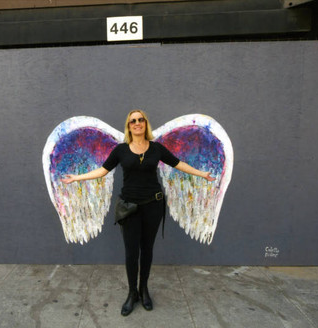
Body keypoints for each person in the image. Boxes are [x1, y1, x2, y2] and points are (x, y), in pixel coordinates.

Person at [62, 110, 215, 316]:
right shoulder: (121, 150)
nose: (137, 123)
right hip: (129, 207)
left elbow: (179, 164)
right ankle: (132, 293)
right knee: (131, 252)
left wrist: (202, 173)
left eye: (140, 120)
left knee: (147, 250)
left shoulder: (156, 148)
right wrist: (77, 178)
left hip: (153, 205)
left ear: (145, 123)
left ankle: (144, 290)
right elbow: (102, 170)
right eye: (132, 121)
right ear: (129, 126)